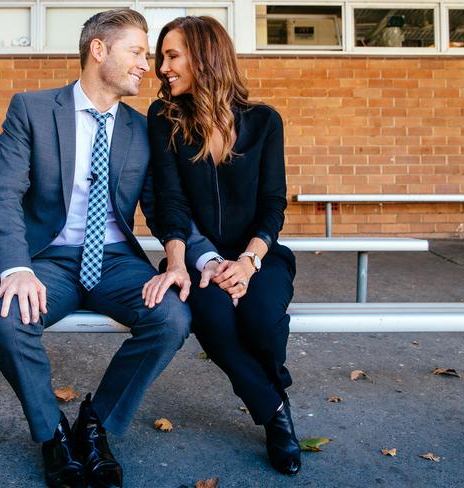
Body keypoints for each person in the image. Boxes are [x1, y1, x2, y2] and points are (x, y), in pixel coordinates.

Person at [0, 10, 196, 488]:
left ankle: (96, 424)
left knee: (172, 317)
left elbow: (166, 208)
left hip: (117, 263)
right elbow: (4, 193)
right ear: (98, 50)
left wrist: (201, 258)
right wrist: (16, 267)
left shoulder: (143, 129)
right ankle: (52, 434)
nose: (149, 65)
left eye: (150, 55)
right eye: (137, 52)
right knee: (7, 321)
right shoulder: (32, 109)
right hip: (48, 262)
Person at [143, 16, 301, 475]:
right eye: (161, 58)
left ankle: (269, 386)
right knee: (212, 317)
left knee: (261, 319)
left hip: (259, 256)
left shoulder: (265, 121)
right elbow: (169, 201)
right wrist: (206, 259)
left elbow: (273, 203)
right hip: (196, 258)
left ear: (206, 56)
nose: (163, 68)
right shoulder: (165, 118)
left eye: (172, 56)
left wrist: (249, 260)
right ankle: (275, 413)